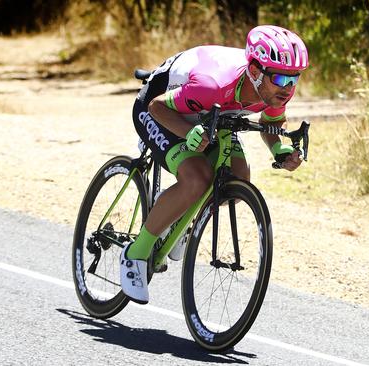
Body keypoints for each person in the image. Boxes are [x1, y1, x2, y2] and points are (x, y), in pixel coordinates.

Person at [120, 25, 309, 304]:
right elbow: (157, 108)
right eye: (281, 78)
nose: (288, 88)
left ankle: (174, 213)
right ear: (255, 72)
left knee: (239, 178)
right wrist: (187, 134)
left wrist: (281, 150)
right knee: (196, 178)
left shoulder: (271, 89)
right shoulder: (214, 85)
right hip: (162, 108)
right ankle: (135, 254)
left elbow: (272, 121)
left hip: (209, 114)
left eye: (295, 79)